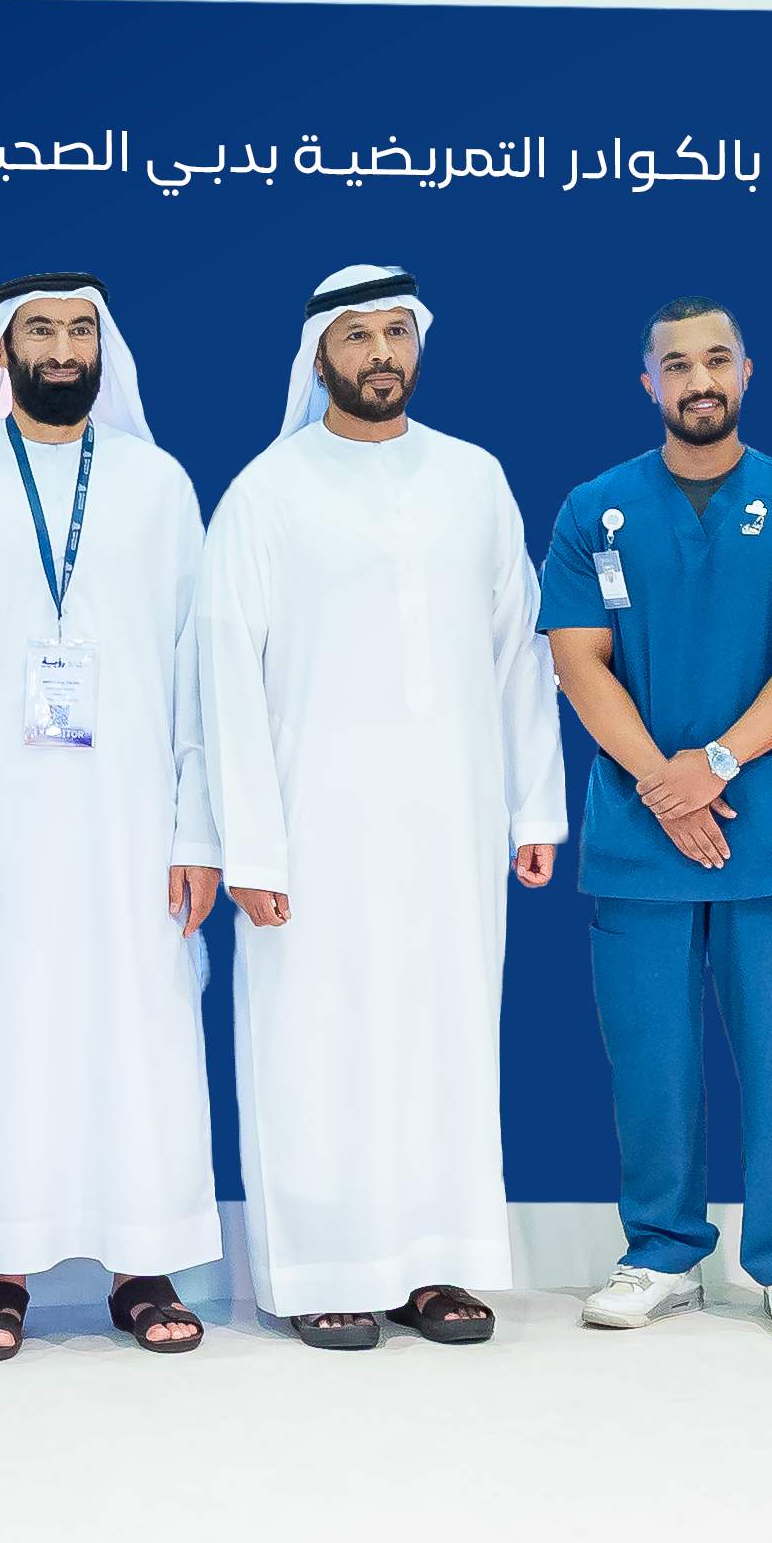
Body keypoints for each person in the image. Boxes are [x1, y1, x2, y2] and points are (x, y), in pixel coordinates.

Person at [202, 265, 559, 1350]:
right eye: (355, 336)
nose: (379, 354)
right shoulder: (267, 490)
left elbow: (519, 651)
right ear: (319, 356)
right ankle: (324, 1270)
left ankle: (433, 1266)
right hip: (314, 827)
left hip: (451, 818)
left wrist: (533, 808)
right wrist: (250, 846)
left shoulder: (472, 478)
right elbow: (226, 674)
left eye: (395, 332)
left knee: (443, 1035)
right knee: (317, 1041)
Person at [0, 277, 224, 1361]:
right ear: (2, 351)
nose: (63, 349)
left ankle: (143, 1262)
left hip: (133, 819)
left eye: (81, 330)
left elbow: (195, 670)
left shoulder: (159, 485)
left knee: (137, 1032)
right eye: (41, 330)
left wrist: (197, 831)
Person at [542, 295, 772, 1343]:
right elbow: (577, 659)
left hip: (768, 823)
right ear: (649, 383)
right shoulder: (595, 509)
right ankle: (660, 1251)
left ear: (747, 371)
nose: (699, 380)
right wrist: (660, 783)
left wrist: (714, 764)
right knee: (650, 1056)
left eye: (716, 359)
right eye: (676, 365)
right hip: (642, 831)